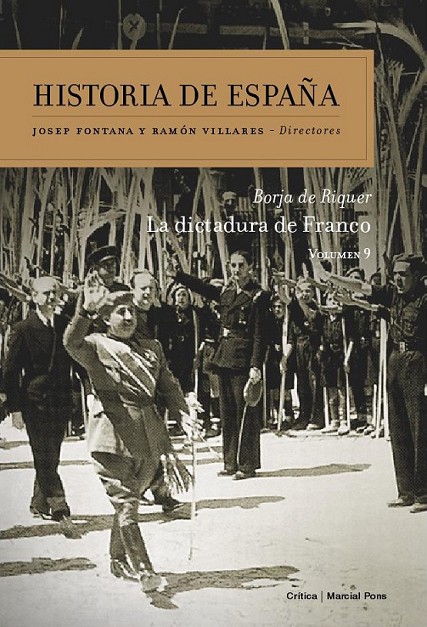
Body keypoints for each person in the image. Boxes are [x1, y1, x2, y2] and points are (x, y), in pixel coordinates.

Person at [63, 274, 198, 592]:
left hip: (149, 438)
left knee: (129, 502)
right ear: (105, 318)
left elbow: (169, 387)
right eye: (120, 312)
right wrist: (85, 312)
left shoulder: (152, 348)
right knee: (125, 503)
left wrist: (184, 415)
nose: (127, 317)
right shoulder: (95, 346)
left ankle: (117, 558)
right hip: (111, 437)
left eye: (131, 312)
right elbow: (71, 342)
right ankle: (145, 570)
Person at [318, 254, 427, 512]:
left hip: (417, 361)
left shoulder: (424, 300)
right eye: (396, 274)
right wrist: (333, 279)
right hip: (395, 360)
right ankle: (405, 491)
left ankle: (423, 493)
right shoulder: (393, 294)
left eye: (404, 274)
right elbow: (363, 288)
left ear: (416, 276)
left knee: (420, 430)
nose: (398, 279)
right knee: (398, 428)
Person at [173, 250, 269, 479]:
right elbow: (203, 288)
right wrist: (178, 275)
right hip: (224, 357)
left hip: (243, 359)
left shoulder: (258, 296)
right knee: (227, 413)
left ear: (250, 267)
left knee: (245, 413)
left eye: (241, 265)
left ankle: (247, 464)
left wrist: (256, 365)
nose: (237, 270)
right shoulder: (227, 292)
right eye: (233, 265)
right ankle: (230, 462)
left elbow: (260, 335)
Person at [3, 276, 72, 521]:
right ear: (34, 297)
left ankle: (39, 502)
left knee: (51, 455)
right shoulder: (23, 329)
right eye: (46, 293)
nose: (51, 297)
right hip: (35, 401)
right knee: (43, 454)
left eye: (54, 292)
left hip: (61, 400)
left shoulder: (64, 324)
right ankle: (59, 504)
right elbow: (10, 372)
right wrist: (15, 409)